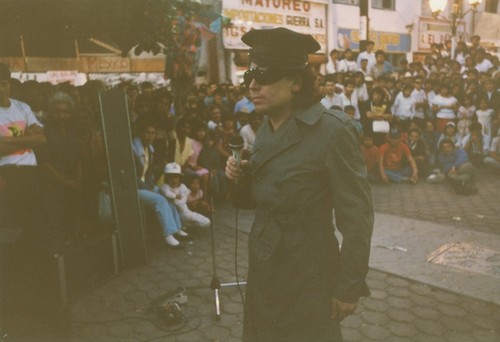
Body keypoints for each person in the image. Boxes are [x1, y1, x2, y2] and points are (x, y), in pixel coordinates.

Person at [225, 27, 373, 342]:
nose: (252, 85)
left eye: (264, 75)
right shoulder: (267, 125)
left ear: (296, 81)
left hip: (308, 269)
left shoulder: (333, 131)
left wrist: (348, 287)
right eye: (250, 74)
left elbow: (357, 217)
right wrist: (242, 175)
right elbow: (266, 192)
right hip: (265, 260)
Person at [132, 121, 185, 247]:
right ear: (141, 133)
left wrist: (152, 185)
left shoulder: (149, 150)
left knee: (168, 195)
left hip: (146, 186)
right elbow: (132, 176)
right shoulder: (133, 149)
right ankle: (168, 235)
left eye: (153, 133)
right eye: (147, 133)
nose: (150, 136)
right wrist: (148, 188)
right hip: (136, 188)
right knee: (160, 200)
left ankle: (176, 228)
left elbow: (149, 172)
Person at [160, 162, 210, 229]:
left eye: (176, 177)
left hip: (186, 213)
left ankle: (190, 226)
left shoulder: (182, 187)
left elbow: (184, 199)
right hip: (173, 215)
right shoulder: (165, 187)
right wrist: (175, 196)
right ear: (166, 178)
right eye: (170, 178)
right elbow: (167, 193)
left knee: (207, 222)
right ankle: (183, 226)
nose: (174, 180)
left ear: (180, 178)